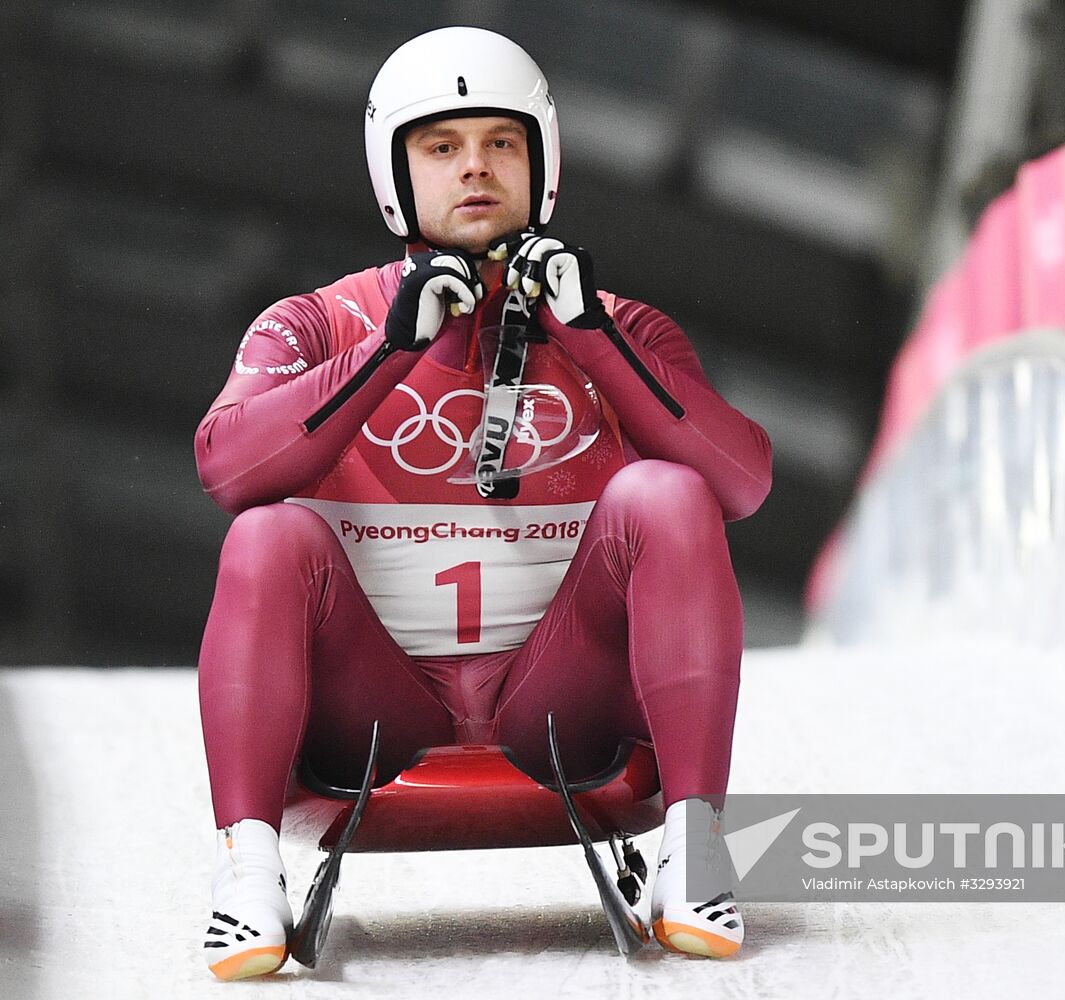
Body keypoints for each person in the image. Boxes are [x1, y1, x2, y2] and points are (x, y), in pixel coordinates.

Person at [193, 25, 771, 980]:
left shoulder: (621, 323)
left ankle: (695, 846)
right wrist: (386, 350)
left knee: (669, 492)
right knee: (268, 534)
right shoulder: (313, 323)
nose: (475, 168)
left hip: (563, 703)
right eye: (442, 145)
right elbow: (226, 472)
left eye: (501, 142)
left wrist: (590, 340)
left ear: (539, 165)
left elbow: (742, 483)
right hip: (372, 712)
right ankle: (246, 874)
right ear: (396, 174)